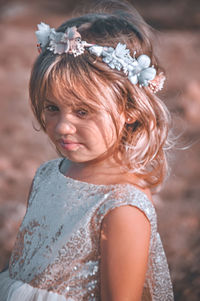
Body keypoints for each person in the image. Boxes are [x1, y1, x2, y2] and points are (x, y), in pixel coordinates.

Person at [0, 1, 174, 300]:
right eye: (52, 108)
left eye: (83, 112)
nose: (62, 127)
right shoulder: (47, 175)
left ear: (130, 109)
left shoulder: (122, 207)